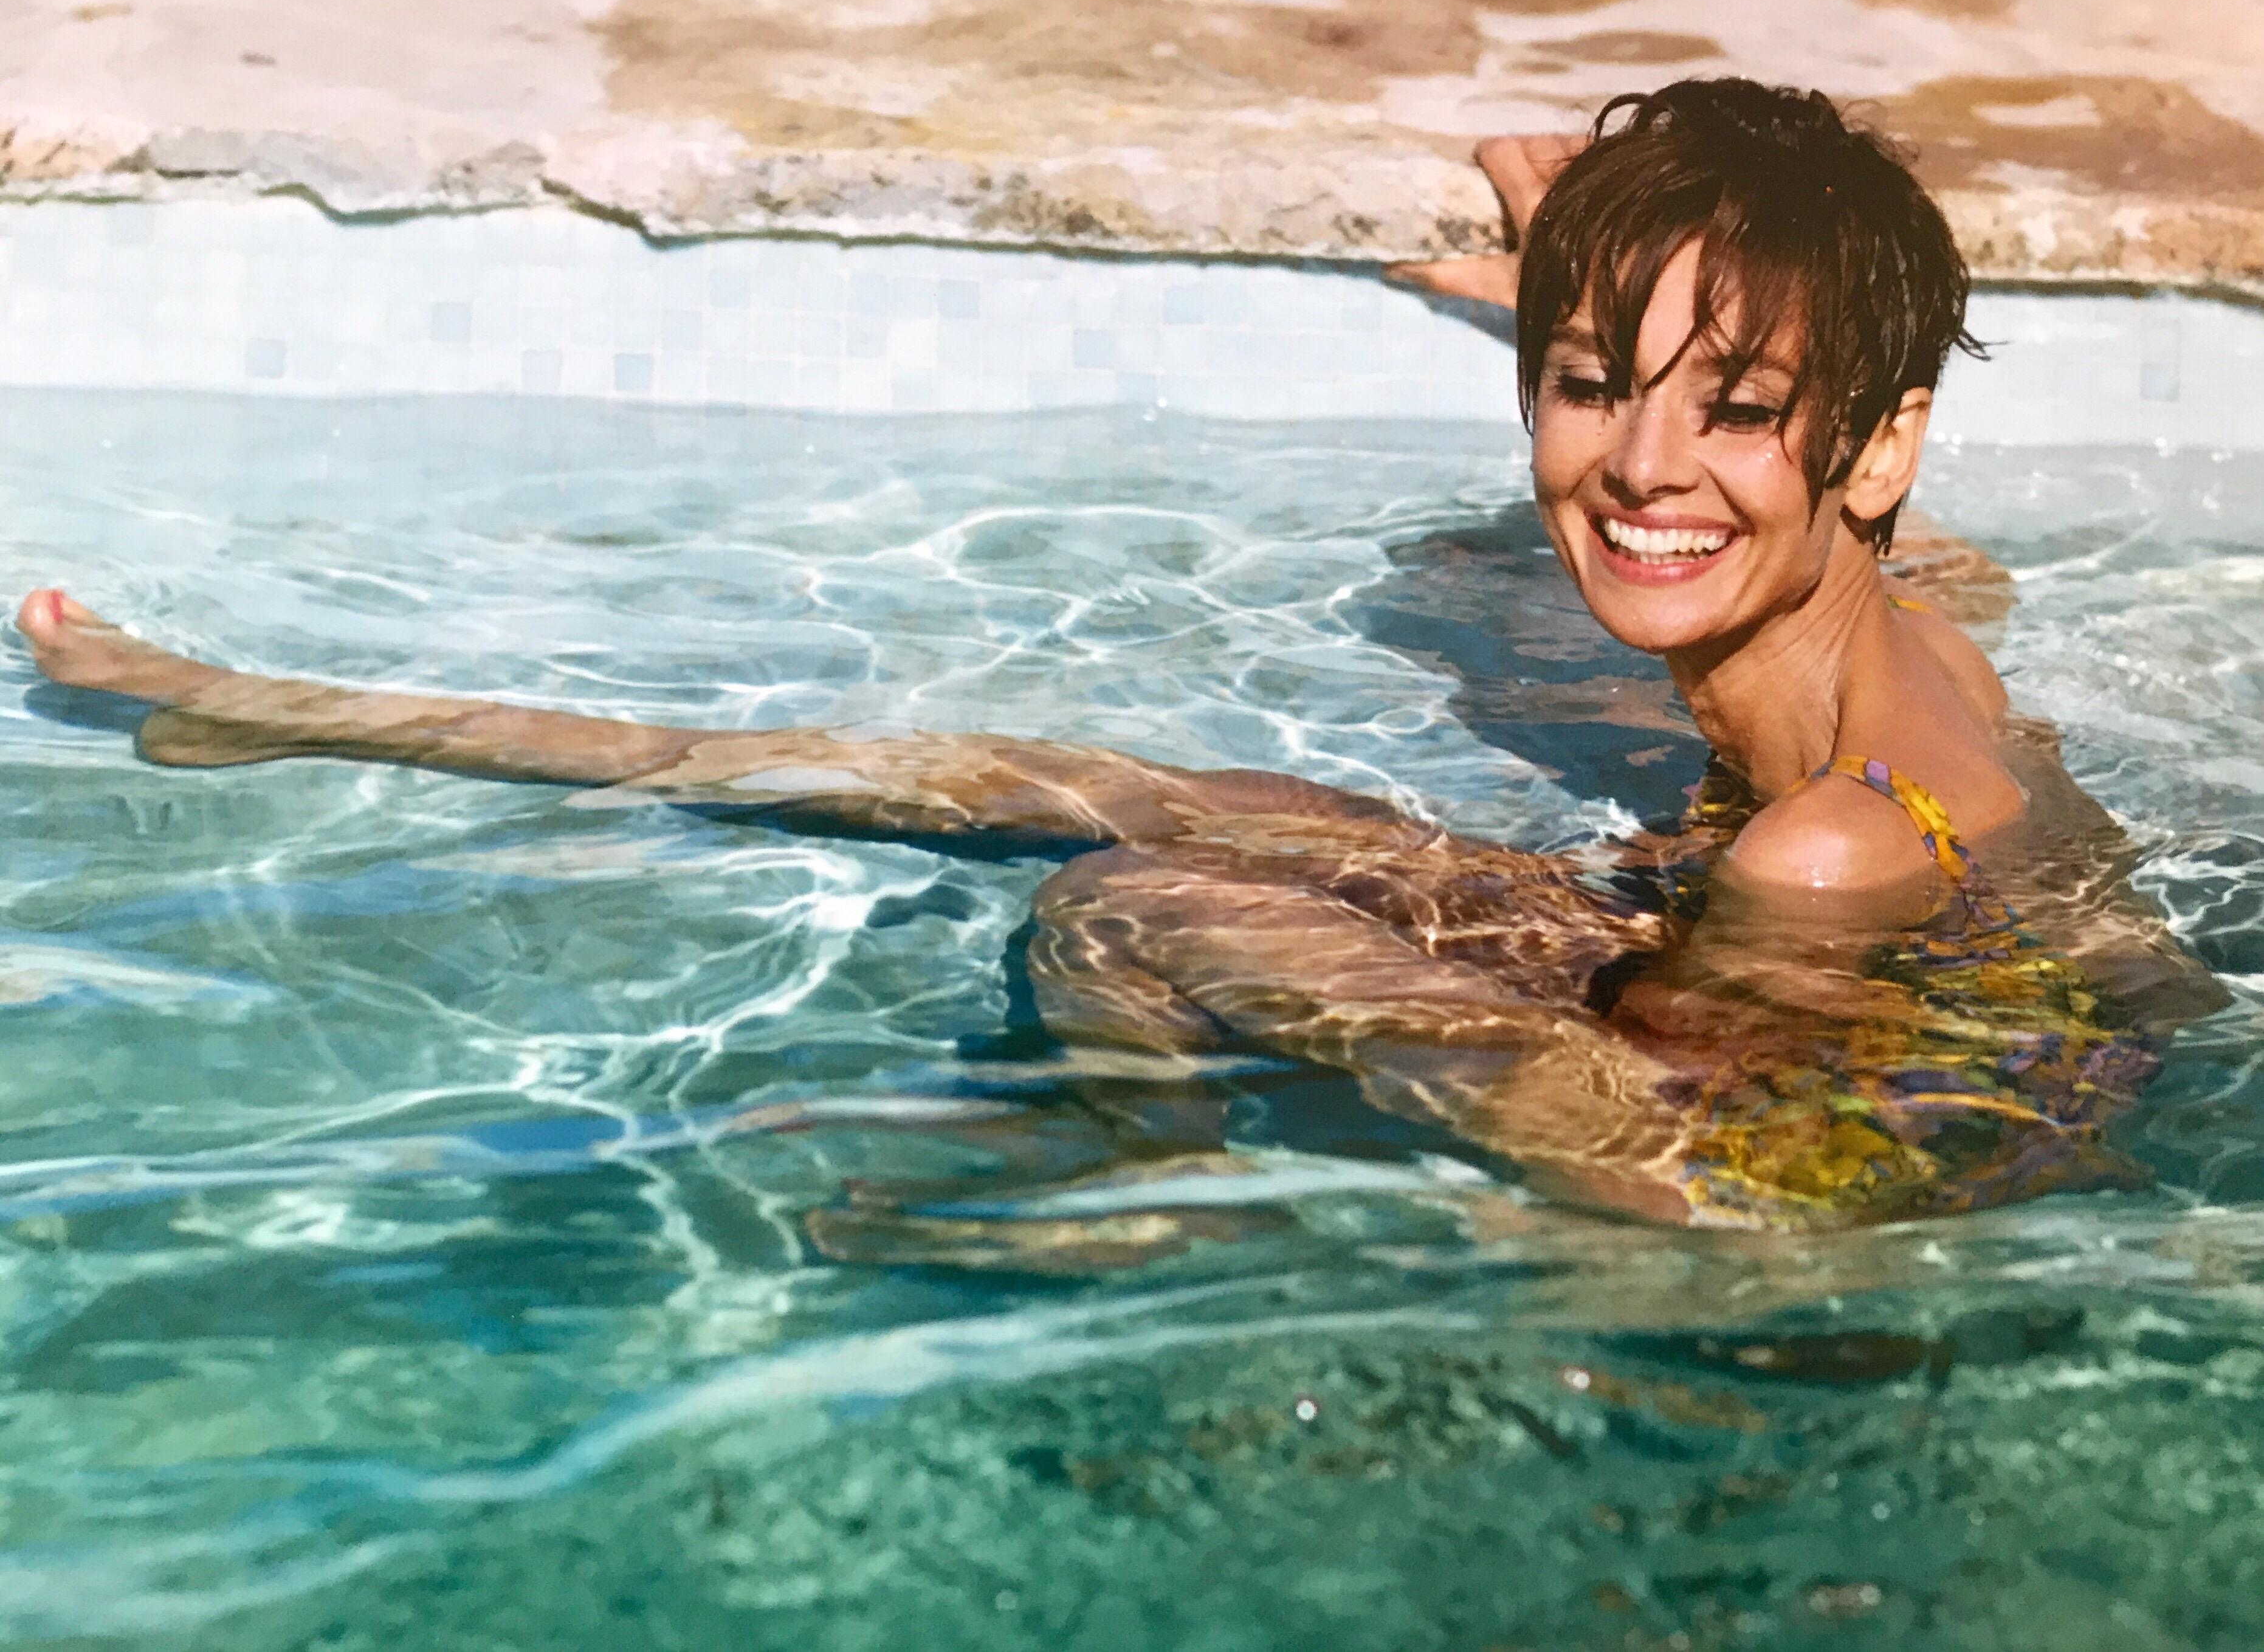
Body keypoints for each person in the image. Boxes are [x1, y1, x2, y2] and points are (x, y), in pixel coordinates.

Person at [14, 78, 2220, 1231]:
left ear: (1875, 438)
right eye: (1586, 380)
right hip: (1868, 997)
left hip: (1802, 1166)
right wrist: (1611, 271)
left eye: (1732, 408)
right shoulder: (1879, 616)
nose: (1640, 470)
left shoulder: (1827, 841)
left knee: (1138, 883)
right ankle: (296, 708)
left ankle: (1132, 1201)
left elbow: (1693, 1173)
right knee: (1064, 768)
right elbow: (1773, 447)